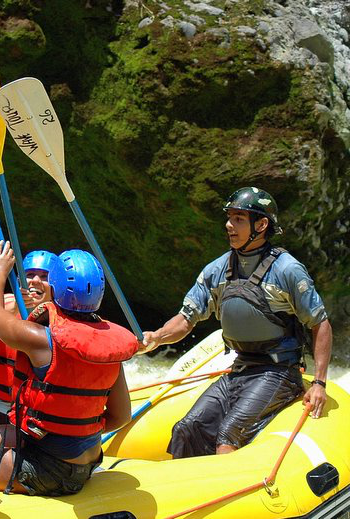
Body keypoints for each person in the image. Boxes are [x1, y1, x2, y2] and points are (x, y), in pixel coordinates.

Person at [140, 187, 333, 458]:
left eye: (239, 219)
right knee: (186, 427)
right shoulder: (216, 270)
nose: (229, 225)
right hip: (240, 369)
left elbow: (320, 323)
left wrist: (320, 383)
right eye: (229, 218)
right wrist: (157, 337)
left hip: (278, 373)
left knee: (228, 434)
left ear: (262, 224)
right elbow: (186, 319)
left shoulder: (287, 269)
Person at [0, 242, 135, 496]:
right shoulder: (111, 347)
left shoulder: (41, 339)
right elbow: (121, 417)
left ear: (55, 288)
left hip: (49, 467)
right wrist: (76, 434)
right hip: (79, 455)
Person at [0, 250, 60, 425]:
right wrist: (13, 310)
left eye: (44, 276)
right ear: (20, 280)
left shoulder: (63, 320)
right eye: (30, 274)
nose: (35, 280)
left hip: (29, 412)